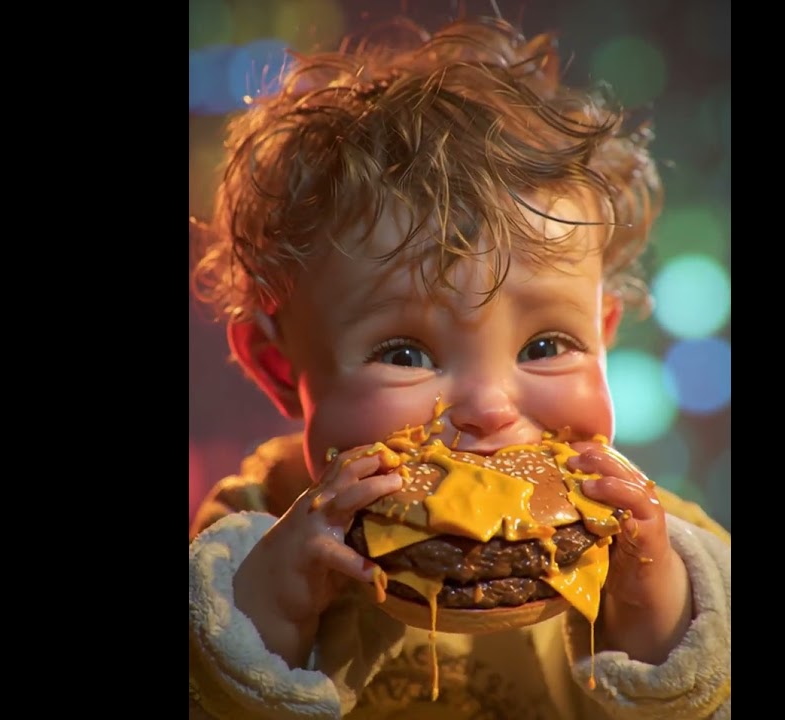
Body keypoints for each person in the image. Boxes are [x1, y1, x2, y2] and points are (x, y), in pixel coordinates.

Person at [188, 15, 730, 719]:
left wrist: (654, 614)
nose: (489, 406)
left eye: (544, 347)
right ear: (276, 366)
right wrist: (271, 616)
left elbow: (706, 686)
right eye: (405, 355)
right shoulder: (253, 529)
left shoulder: (650, 536)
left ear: (604, 336)